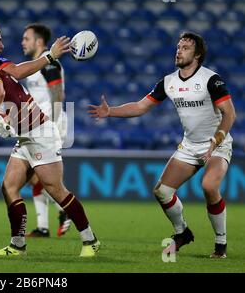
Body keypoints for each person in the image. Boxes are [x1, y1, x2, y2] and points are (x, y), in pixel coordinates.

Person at [88, 32, 236, 258]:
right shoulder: (169, 81)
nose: (179, 50)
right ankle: (182, 232)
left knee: (209, 187)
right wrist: (111, 112)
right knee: (162, 191)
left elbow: (229, 114)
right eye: (178, 46)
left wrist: (216, 141)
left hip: (217, 143)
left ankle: (221, 244)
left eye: (185, 47)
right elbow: (140, 107)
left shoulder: (211, 80)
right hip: (189, 145)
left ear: (197, 55)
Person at [0, 49, 101, 257]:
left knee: (55, 189)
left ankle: (90, 240)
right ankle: (17, 245)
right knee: (9, 187)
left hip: (41, 134)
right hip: (25, 138)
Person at [21, 23, 71, 238]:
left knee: (44, 177)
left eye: (26, 38)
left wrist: (51, 125)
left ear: (39, 42)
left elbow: (58, 96)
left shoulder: (49, 65)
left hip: (49, 124)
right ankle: (44, 226)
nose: (23, 42)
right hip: (38, 126)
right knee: (36, 178)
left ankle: (65, 211)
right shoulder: (38, 64)